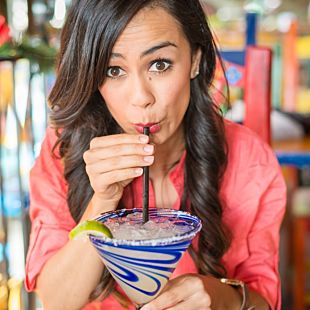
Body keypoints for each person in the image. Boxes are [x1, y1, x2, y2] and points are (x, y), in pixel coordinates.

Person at [25, 0, 286, 309]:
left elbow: (264, 300)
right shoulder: (66, 151)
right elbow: (56, 301)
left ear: (195, 60)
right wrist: (103, 201)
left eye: (159, 64)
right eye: (113, 70)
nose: (141, 98)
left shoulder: (247, 159)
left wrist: (221, 297)